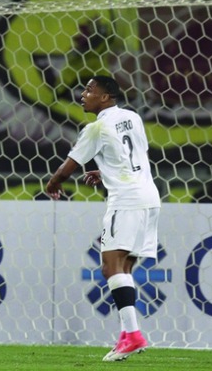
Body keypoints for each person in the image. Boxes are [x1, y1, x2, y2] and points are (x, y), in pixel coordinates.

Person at [45, 76, 159, 362]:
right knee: (124, 269)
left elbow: (67, 167)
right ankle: (127, 335)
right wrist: (105, 171)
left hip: (125, 200)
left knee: (111, 268)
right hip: (149, 196)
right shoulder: (132, 118)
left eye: (90, 91)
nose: (83, 95)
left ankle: (133, 335)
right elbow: (135, 155)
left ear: (106, 97)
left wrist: (53, 184)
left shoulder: (96, 127)